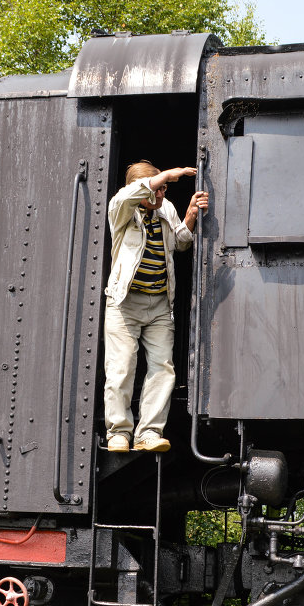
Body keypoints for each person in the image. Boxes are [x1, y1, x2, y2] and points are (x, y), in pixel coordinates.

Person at [103, 161, 208, 452]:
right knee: (121, 367)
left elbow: (180, 243)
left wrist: (189, 215)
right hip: (125, 303)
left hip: (160, 304)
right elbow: (129, 195)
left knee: (163, 368)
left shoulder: (167, 209)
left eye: (164, 189)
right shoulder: (121, 207)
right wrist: (167, 175)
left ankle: (148, 432)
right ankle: (119, 433)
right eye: (157, 189)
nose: (161, 194)